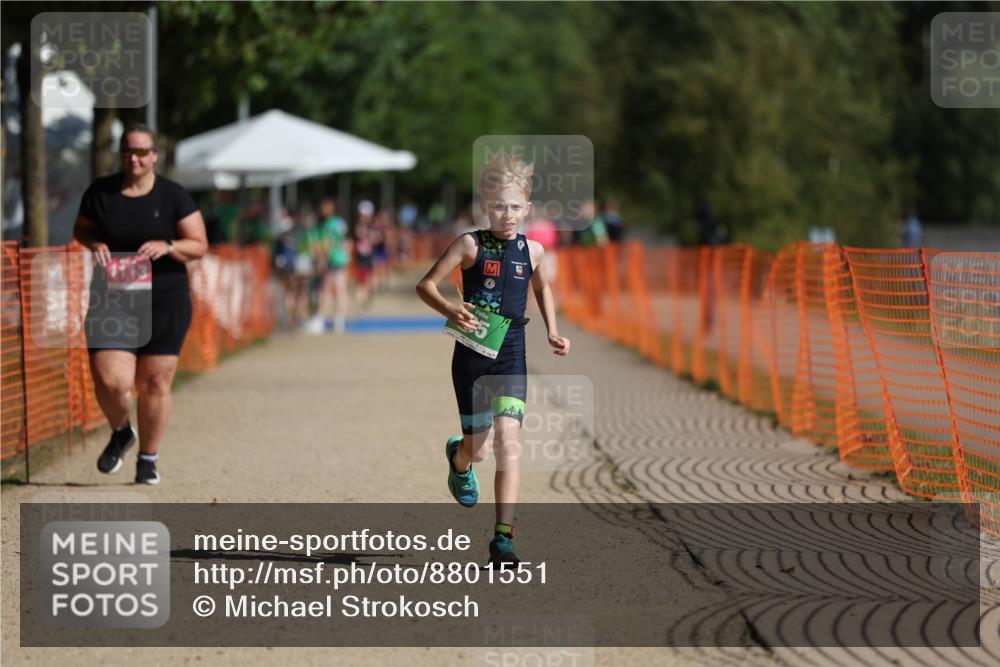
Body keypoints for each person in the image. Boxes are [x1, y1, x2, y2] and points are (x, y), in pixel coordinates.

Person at [416, 153, 571, 566]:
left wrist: (552, 329)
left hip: (512, 353)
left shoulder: (533, 250)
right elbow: (426, 285)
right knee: (479, 452)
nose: (507, 215)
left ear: (528, 209)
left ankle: (503, 538)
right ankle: (459, 458)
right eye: (499, 206)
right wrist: (451, 310)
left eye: (515, 206)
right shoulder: (469, 244)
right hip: (471, 355)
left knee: (509, 444)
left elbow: (545, 289)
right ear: (486, 205)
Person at [72, 123, 208, 484]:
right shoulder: (101, 193)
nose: (135, 159)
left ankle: (148, 457)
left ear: (154, 156)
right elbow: (81, 229)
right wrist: (94, 243)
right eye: (128, 152)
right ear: (121, 154)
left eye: (142, 152)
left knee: (155, 384)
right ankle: (121, 431)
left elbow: (199, 243)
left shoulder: (173, 196)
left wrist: (170, 247)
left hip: (164, 299)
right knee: (111, 380)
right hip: (113, 299)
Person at [306, 199, 351, 334]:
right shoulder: (323, 224)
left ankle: (335, 319)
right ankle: (326, 318)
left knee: (337, 289)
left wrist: (323, 258)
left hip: (337, 260)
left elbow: (330, 242)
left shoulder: (336, 223)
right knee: (327, 290)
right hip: (331, 260)